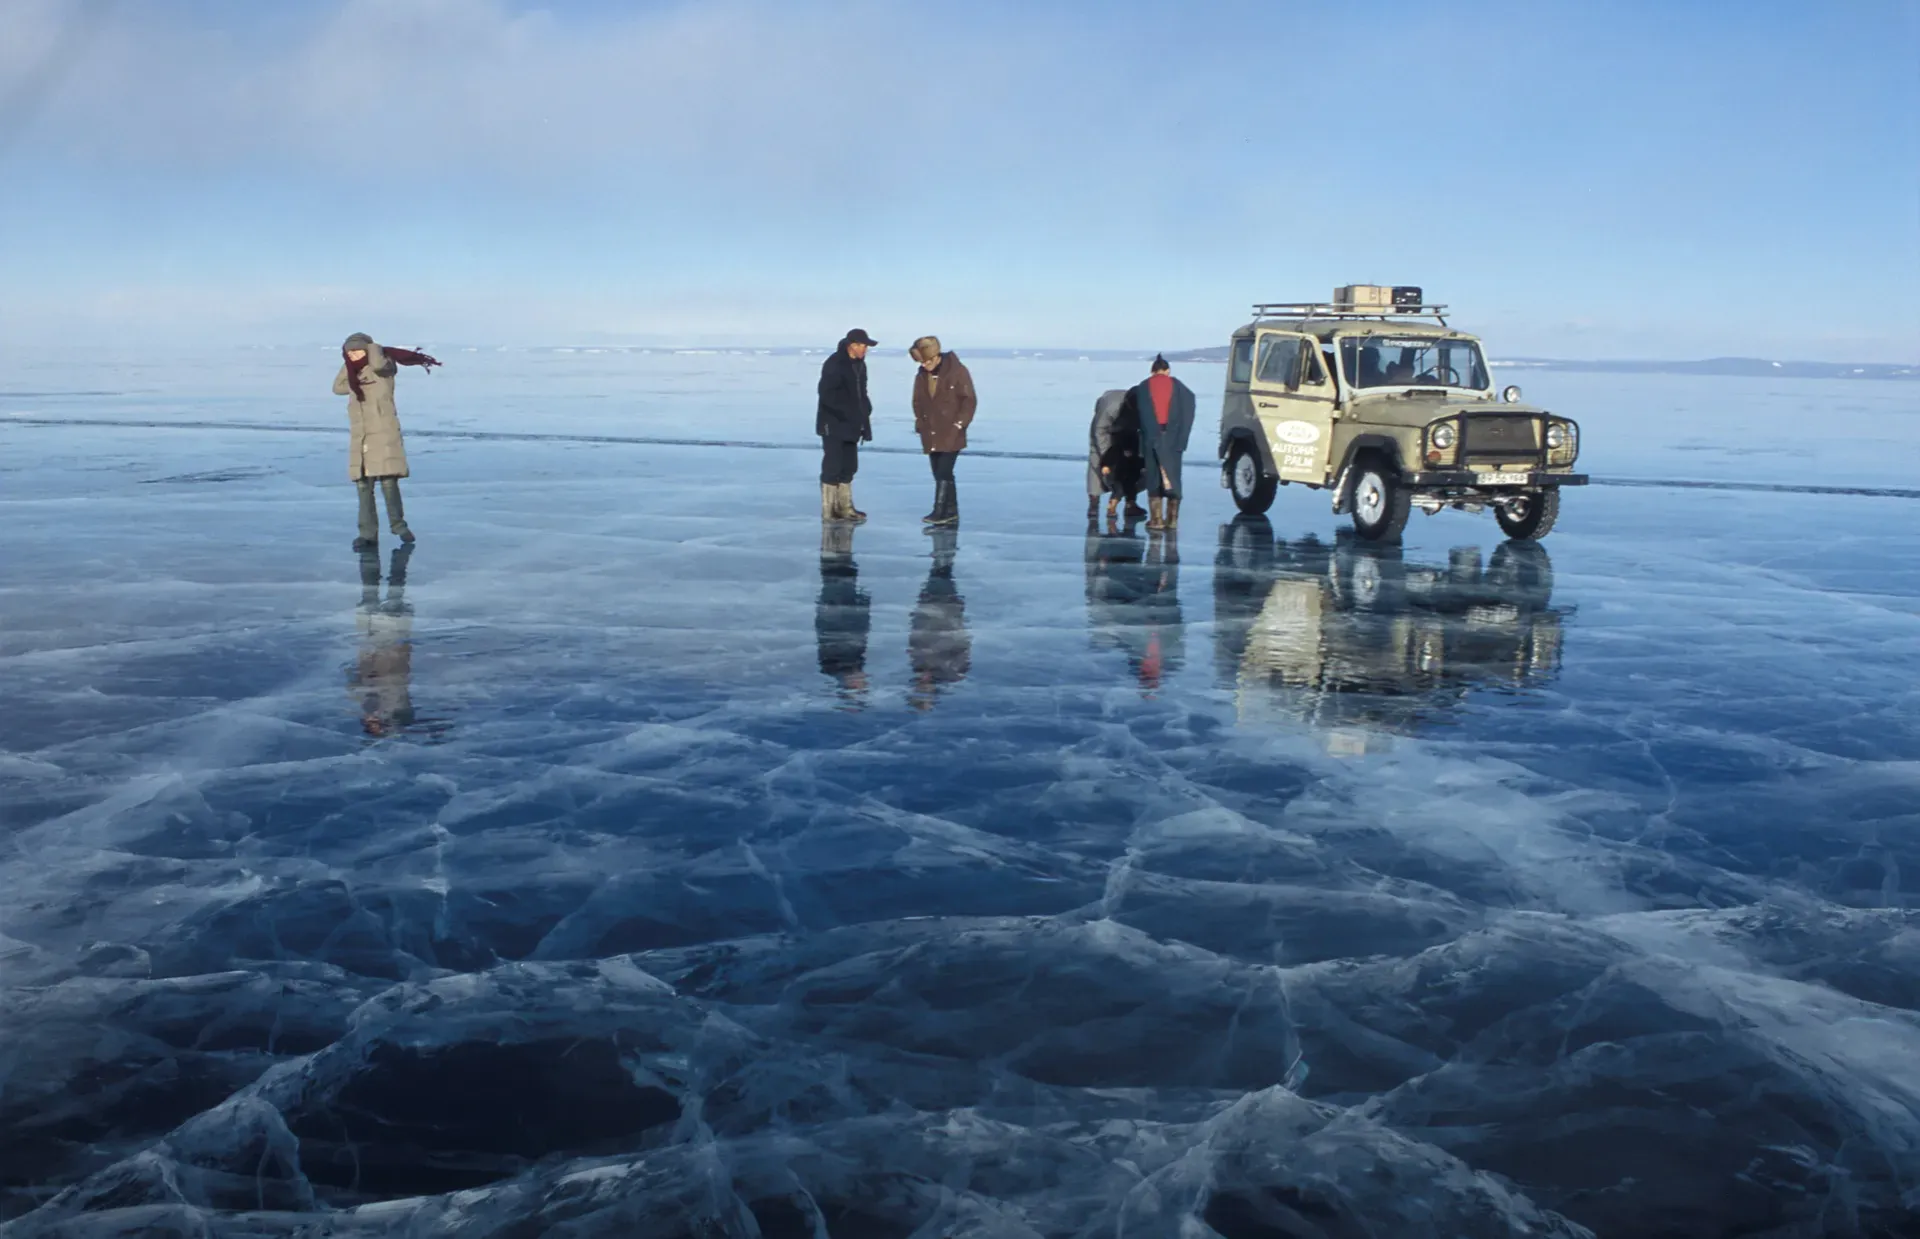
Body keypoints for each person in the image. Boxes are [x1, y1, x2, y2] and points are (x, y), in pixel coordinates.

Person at [332, 333, 439, 552]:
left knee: (389, 483)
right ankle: (366, 534)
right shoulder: (353, 376)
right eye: (349, 352)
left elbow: (379, 364)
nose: (353, 355)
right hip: (361, 437)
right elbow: (337, 388)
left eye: (358, 351)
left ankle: (399, 526)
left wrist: (374, 348)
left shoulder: (384, 369)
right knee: (363, 486)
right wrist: (348, 364)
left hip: (383, 433)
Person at [908, 335, 976, 527]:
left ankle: (940, 511)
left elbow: (969, 400)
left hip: (951, 431)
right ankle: (951, 511)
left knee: (944, 471)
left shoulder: (958, 372)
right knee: (939, 472)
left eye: (928, 361)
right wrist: (920, 421)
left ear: (937, 356)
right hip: (930, 432)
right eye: (922, 362)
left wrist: (959, 424)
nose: (925, 365)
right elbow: (918, 401)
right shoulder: (921, 376)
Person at [1130, 354, 1196, 532]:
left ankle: (1156, 519)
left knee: (1153, 477)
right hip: (1173, 437)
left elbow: (1136, 413)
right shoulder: (1180, 387)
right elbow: (1189, 407)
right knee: (1173, 477)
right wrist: (1182, 437)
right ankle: (1172, 520)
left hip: (1151, 436)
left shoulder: (1143, 387)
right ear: (1167, 371)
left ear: (1152, 371)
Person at [817, 329, 877, 523]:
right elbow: (826, 395)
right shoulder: (835, 363)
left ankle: (845, 507)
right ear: (851, 345)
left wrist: (865, 415)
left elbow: (862, 394)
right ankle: (829, 510)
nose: (864, 350)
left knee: (849, 466)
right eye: (861, 345)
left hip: (853, 423)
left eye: (866, 346)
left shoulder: (860, 366)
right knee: (833, 466)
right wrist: (848, 413)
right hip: (833, 424)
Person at [908, 527, 970, 709]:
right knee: (942, 573)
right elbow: (962, 646)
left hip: (930, 615)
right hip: (944, 616)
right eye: (922, 692)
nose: (918, 686)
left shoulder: (919, 669)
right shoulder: (951, 674)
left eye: (916, 690)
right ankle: (945, 538)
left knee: (939, 574)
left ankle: (943, 539)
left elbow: (916, 643)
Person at [815, 523, 871, 706]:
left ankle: (835, 527)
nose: (865, 679)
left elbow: (832, 631)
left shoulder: (837, 663)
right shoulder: (853, 662)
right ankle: (839, 528)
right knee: (843, 570)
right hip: (844, 607)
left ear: (850, 684)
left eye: (861, 685)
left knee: (837, 570)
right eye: (864, 684)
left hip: (837, 607)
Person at [1087, 388, 1146, 525]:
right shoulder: (1110, 406)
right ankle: (1094, 503)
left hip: (1129, 432)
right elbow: (1099, 432)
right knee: (1097, 459)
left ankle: (1130, 503)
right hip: (1104, 428)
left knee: (1135, 467)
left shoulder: (1145, 408)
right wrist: (1108, 458)